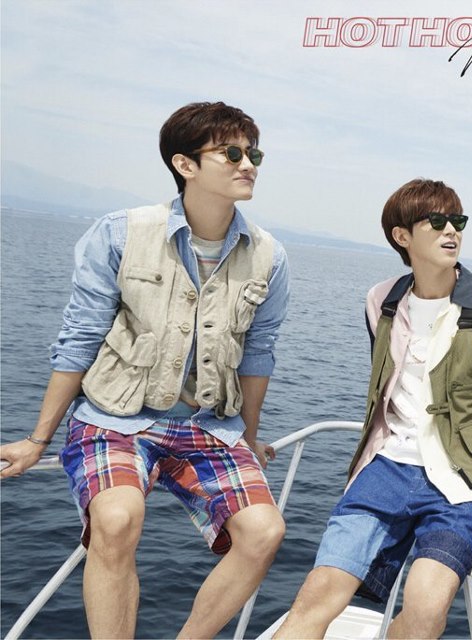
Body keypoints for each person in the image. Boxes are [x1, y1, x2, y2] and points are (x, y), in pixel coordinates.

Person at [0, 101, 290, 639]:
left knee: (265, 531)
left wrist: (249, 437)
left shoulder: (269, 256)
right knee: (116, 520)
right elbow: (81, 337)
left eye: (254, 154)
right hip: (116, 419)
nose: (248, 163)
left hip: (208, 427)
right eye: (232, 153)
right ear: (185, 164)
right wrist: (38, 440)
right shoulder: (121, 234)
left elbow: (258, 354)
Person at [274, 178, 472, 639]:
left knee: (425, 611)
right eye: (436, 222)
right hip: (384, 470)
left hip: (460, 483)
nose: (451, 231)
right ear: (402, 236)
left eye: (457, 221)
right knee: (317, 595)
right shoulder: (381, 301)